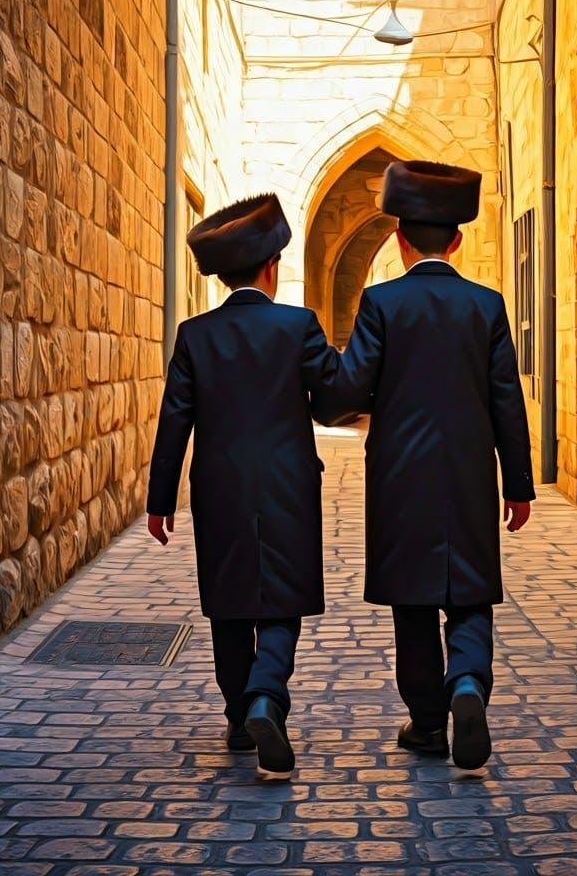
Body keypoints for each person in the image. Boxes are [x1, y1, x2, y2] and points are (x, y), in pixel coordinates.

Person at [315, 160, 536, 771]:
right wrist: (518, 484)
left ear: (400, 240)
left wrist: (315, 386)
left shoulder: (382, 302)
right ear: (457, 240)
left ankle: (426, 723)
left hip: (400, 479)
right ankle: (468, 684)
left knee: (412, 603)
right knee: (468, 594)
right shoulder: (486, 306)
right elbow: (505, 399)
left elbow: (351, 387)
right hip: (468, 476)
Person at [146, 193, 337, 781]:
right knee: (282, 601)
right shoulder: (298, 326)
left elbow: (174, 418)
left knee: (228, 603)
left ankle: (238, 715)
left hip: (220, 489)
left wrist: (159, 501)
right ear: (272, 267)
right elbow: (330, 404)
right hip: (287, 488)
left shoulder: (194, 335)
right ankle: (265, 696)